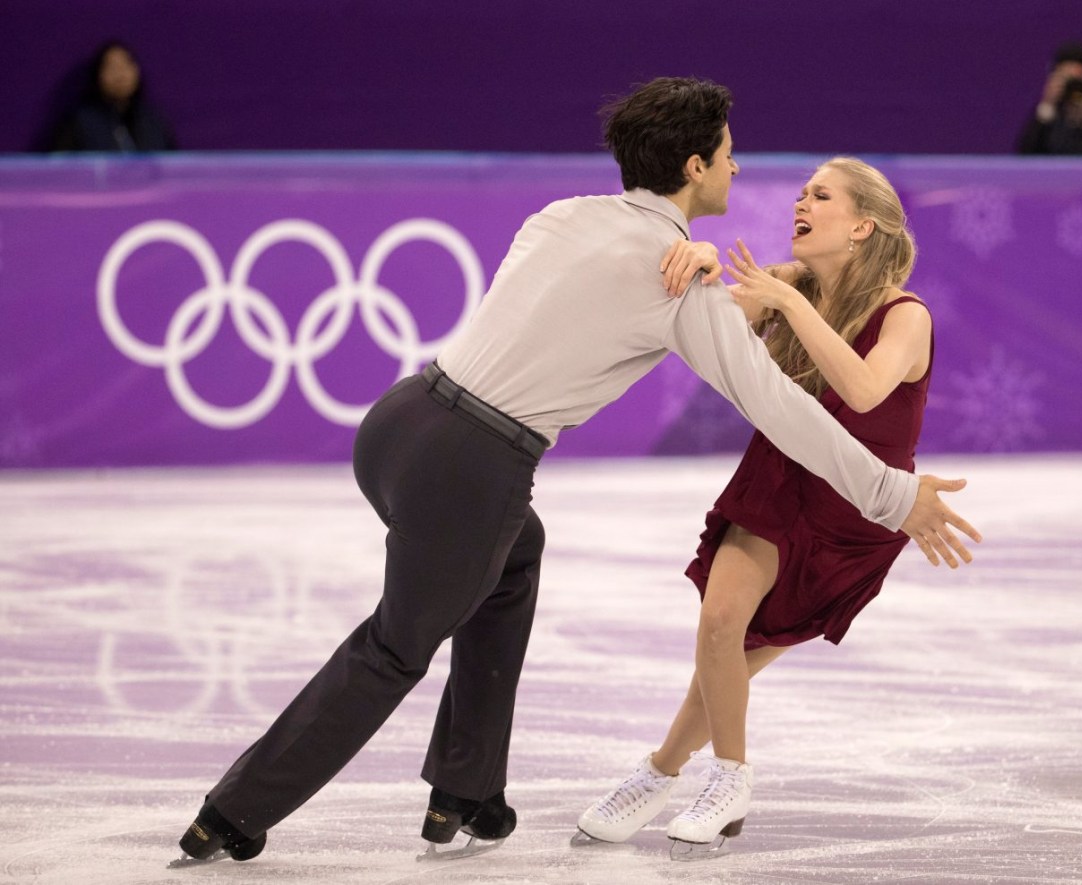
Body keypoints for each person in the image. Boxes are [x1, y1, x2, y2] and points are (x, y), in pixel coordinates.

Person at [174, 78, 980, 866]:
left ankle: (466, 787)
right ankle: (234, 811)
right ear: (695, 167)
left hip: (399, 420)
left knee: (514, 556)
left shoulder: (560, 216)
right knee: (396, 645)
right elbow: (780, 405)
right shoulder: (678, 284)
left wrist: (697, 260)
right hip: (474, 463)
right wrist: (890, 491)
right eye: (729, 155)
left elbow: (618, 281)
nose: (739, 170)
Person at [576, 157, 941, 855]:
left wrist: (792, 303)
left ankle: (659, 770)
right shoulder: (788, 283)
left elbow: (864, 391)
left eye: (822, 195)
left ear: (862, 225)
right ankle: (728, 778)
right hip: (779, 481)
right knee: (720, 625)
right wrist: (703, 256)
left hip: (854, 512)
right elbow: (702, 310)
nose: (802, 203)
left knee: (734, 657)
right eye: (801, 193)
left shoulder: (906, 315)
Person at [51, 41, 177, 152]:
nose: (120, 75)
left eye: (126, 65)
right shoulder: (80, 123)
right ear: (98, 75)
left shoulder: (153, 121)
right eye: (112, 67)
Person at [1016, 41, 1082, 155]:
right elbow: (1026, 158)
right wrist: (1046, 106)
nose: (1073, 87)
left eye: (1077, 80)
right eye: (1066, 78)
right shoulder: (1047, 117)